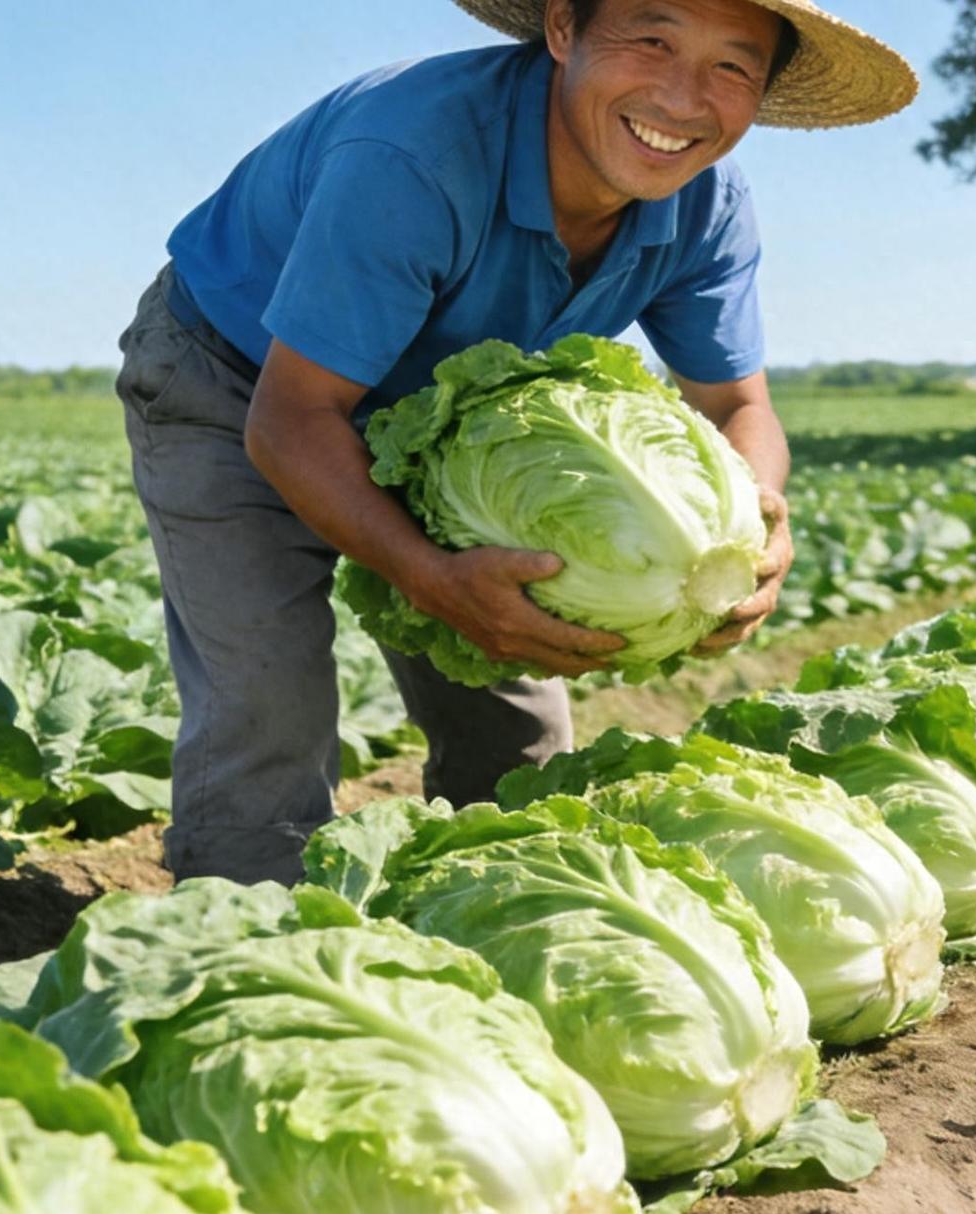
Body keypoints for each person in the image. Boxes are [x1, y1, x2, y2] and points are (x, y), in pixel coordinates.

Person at [114, 0, 916, 886]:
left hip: (452, 430)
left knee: (519, 742)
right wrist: (431, 576)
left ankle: (495, 912)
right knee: (268, 699)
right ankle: (243, 926)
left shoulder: (705, 203)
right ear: (564, 28)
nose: (683, 98)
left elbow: (737, 405)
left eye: (732, 66)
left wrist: (755, 521)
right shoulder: (414, 156)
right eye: (652, 40)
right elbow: (292, 419)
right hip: (237, 377)